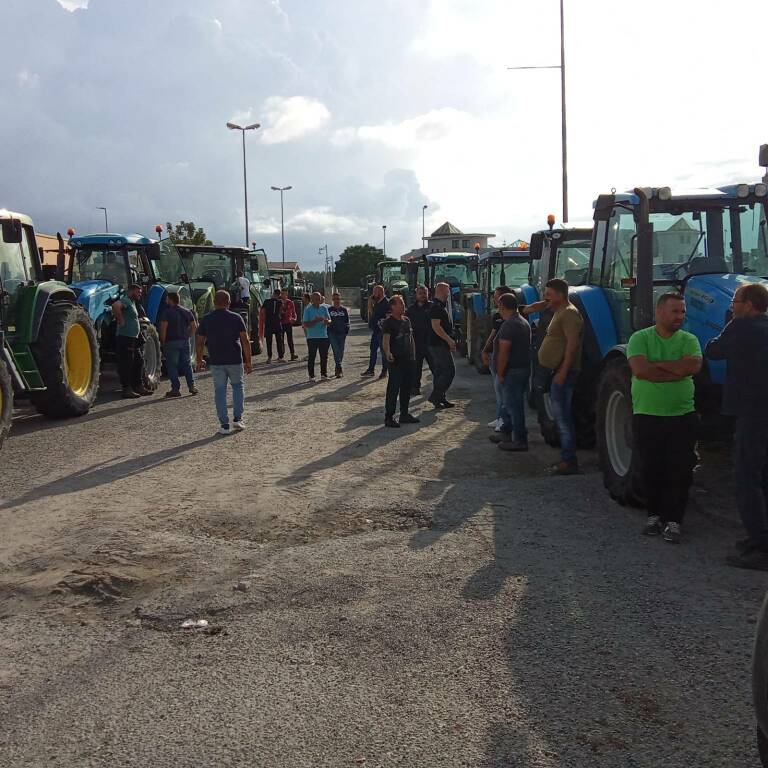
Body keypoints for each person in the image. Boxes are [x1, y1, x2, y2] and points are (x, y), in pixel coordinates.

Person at [627, 292, 702, 543]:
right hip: (647, 414)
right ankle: (653, 515)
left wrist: (656, 366)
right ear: (659, 312)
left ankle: (674, 520)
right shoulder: (639, 338)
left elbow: (692, 367)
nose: (680, 316)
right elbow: (639, 369)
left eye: (682, 311)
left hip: (683, 415)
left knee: (680, 470)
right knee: (651, 467)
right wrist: (675, 368)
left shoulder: (690, 339)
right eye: (675, 311)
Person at [706, 283, 768, 569]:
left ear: (750, 304)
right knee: (763, 476)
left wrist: (726, 324)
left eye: (736, 300)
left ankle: (761, 546)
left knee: (746, 479)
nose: (732, 305)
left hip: (751, 412)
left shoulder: (740, 327)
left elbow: (713, 351)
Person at [523, 278, 584, 475]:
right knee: (560, 417)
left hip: (562, 373)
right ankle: (566, 457)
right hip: (555, 371)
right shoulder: (558, 310)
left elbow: (572, 346)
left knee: (563, 419)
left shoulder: (569, 314)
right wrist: (542, 304)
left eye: (548, 294)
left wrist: (563, 372)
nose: (545, 298)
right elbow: (528, 310)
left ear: (560, 295)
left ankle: (569, 460)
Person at [196, 289, 253, 435]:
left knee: (220, 391)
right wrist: (248, 361)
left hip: (216, 361)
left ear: (214, 302)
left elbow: (200, 341)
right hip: (234, 359)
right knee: (237, 387)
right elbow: (245, 340)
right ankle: (238, 419)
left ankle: (224, 425)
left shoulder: (207, 319)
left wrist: (199, 359)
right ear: (228, 302)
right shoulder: (236, 318)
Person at [489, 293, 531, 451]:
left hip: (512, 371)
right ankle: (506, 433)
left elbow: (504, 352)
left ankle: (520, 440)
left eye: (498, 304)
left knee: (514, 406)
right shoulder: (522, 321)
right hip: (521, 369)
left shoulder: (509, 325)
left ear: (502, 306)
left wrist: (500, 373)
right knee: (508, 405)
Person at [382, 295, 420, 428]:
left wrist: (414, 355)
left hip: (409, 360)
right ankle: (389, 417)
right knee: (393, 389)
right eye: (400, 304)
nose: (403, 306)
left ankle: (404, 414)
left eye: (403, 303)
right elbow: (386, 341)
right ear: (392, 306)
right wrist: (388, 353)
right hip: (396, 361)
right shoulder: (389, 322)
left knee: (406, 388)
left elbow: (411, 339)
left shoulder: (406, 320)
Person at [481, 285, 513, 430]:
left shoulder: (513, 318)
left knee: (503, 391)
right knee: (498, 390)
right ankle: (500, 417)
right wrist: (485, 350)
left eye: (496, 295)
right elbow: (493, 335)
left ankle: (504, 421)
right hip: (496, 355)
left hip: (504, 357)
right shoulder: (497, 316)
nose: (494, 297)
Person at [111, 283, 151, 399]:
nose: (140, 295)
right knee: (127, 363)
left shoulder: (133, 303)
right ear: (132, 291)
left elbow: (130, 316)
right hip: (125, 337)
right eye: (138, 292)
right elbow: (115, 306)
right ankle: (127, 389)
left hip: (133, 337)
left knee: (138, 361)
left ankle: (138, 386)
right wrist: (121, 320)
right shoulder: (126, 300)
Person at [158, 291, 198, 398]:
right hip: (184, 341)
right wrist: (189, 335)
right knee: (187, 364)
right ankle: (192, 386)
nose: (166, 300)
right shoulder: (187, 311)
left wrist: (163, 341)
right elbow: (194, 326)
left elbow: (163, 328)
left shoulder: (167, 313)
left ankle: (175, 389)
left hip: (171, 342)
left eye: (167, 299)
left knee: (172, 366)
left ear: (171, 300)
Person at [428, 282, 457, 409]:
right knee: (449, 371)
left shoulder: (441, 306)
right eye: (447, 291)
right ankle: (436, 395)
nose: (448, 293)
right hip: (438, 344)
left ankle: (440, 398)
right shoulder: (436, 307)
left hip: (440, 343)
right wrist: (449, 340)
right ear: (440, 291)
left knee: (439, 373)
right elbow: (436, 326)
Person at [405, 285, 434, 395]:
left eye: (424, 293)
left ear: (428, 294)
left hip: (431, 343)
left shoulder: (433, 307)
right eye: (420, 293)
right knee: (416, 368)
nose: (422, 295)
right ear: (416, 295)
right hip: (416, 343)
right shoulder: (411, 310)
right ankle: (415, 387)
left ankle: (438, 389)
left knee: (435, 367)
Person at [362, 284, 390, 379]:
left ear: (380, 292)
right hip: (376, 331)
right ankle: (371, 370)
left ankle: (384, 371)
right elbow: (373, 314)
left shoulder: (386, 303)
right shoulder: (378, 302)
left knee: (383, 351)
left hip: (382, 331)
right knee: (373, 350)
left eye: (375, 292)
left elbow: (387, 317)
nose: (373, 294)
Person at [302, 291, 331, 381]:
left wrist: (327, 322)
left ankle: (324, 374)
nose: (318, 301)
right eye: (315, 299)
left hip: (323, 336)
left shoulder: (324, 308)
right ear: (312, 300)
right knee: (312, 357)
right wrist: (315, 321)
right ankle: (311, 376)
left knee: (324, 357)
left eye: (319, 299)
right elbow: (305, 324)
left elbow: (329, 320)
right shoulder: (308, 309)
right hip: (312, 337)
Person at [327, 292, 350, 378]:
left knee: (341, 351)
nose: (337, 300)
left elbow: (347, 321)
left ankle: (338, 366)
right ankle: (339, 368)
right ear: (332, 300)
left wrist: (346, 329)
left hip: (342, 333)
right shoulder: (329, 310)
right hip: (332, 333)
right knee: (336, 350)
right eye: (335, 299)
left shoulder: (343, 310)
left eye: (338, 299)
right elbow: (327, 320)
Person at [260, 288, 285, 362]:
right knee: (279, 340)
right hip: (277, 322)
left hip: (269, 322)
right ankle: (280, 357)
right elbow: (281, 311)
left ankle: (269, 357)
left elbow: (263, 311)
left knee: (269, 341)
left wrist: (264, 320)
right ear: (279, 295)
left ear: (273, 293)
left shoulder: (266, 301)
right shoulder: (280, 302)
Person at [280, 289, 299, 360]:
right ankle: (281, 355)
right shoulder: (279, 302)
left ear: (287, 294)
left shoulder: (290, 302)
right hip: (281, 323)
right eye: (282, 294)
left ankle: (292, 354)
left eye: (284, 294)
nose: (283, 295)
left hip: (288, 323)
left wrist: (295, 318)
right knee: (281, 340)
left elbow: (294, 312)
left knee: (290, 339)